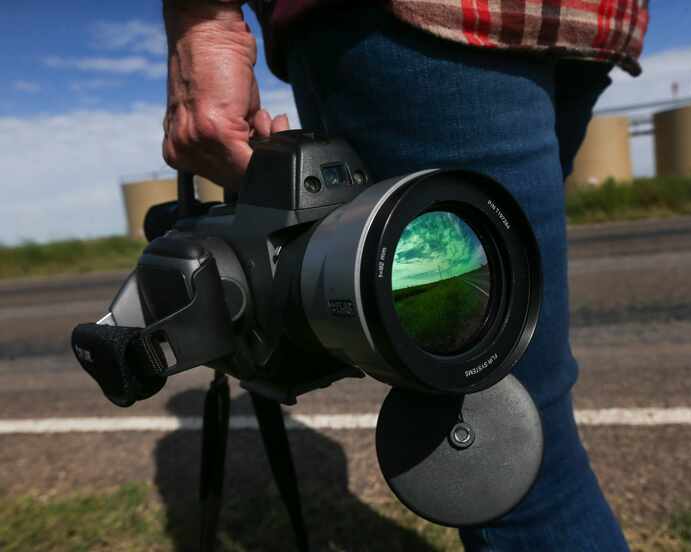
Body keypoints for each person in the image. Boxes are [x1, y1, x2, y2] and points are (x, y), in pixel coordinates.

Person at [162, 1, 649, 550]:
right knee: (522, 409)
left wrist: (205, 23)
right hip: (578, 23)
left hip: (427, 21)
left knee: (519, 451)